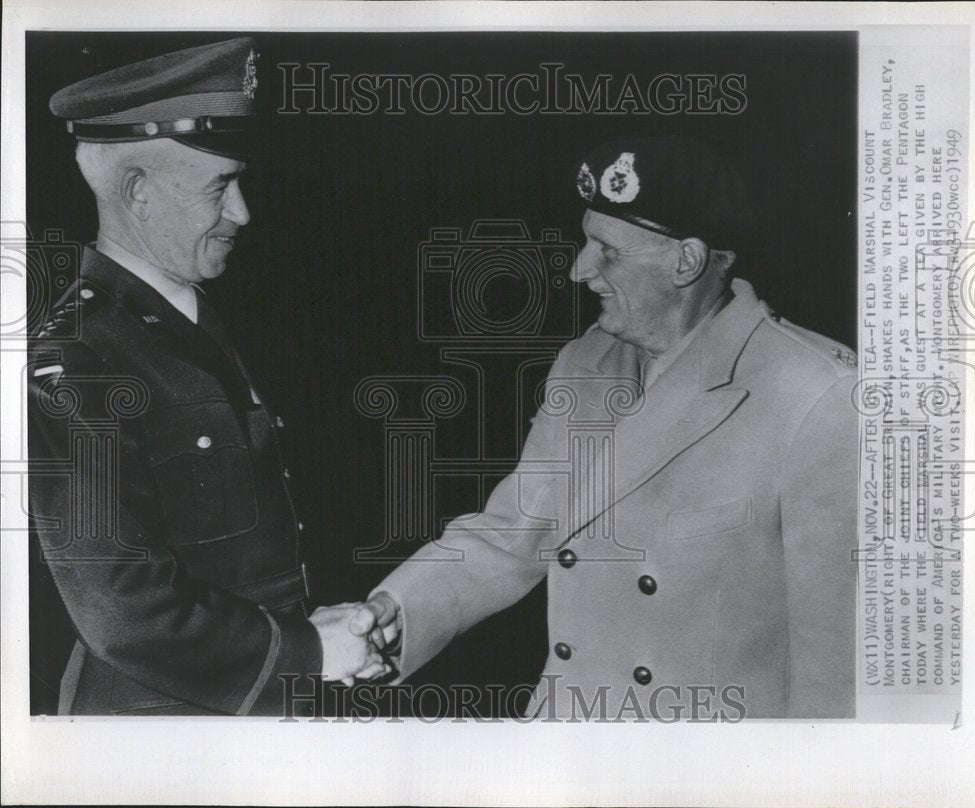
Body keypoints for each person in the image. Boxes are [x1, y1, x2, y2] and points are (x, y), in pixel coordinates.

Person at [353, 137, 859, 720]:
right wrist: (398, 611)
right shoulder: (584, 362)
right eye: (584, 240)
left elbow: (837, 664)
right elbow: (514, 531)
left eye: (608, 251)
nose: (578, 270)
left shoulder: (818, 393)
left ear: (686, 262)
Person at [29, 37, 384, 716]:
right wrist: (308, 652)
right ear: (137, 192)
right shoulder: (82, 359)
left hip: (252, 703)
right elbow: (123, 612)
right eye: (219, 186)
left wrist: (322, 633)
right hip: (160, 731)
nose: (242, 212)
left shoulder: (189, 318)